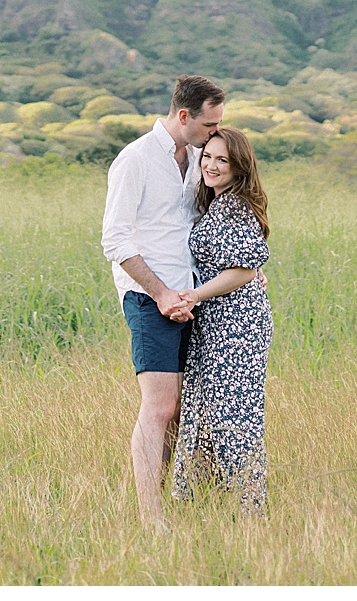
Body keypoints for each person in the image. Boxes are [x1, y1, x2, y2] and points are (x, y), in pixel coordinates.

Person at [101, 74, 226, 531]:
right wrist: (160, 294)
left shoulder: (199, 159)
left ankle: (168, 501)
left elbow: (198, 227)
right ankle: (149, 518)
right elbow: (114, 239)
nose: (215, 133)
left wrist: (244, 271)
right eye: (209, 124)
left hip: (190, 295)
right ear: (184, 115)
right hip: (146, 295)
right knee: (159, 406)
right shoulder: (133, 160)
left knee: (180, 409)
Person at [170, 125, 273, 516]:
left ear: (239, 167)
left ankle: (249, 510)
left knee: (233, 415)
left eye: (222, 160)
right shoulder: (216, 202)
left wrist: (194, 294)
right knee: (207, 409)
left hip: (238, 326)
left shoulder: (237, 204)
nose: (211, 165)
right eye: (207, 157)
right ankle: (208, 504)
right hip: (216, 322)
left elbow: (245, 270)